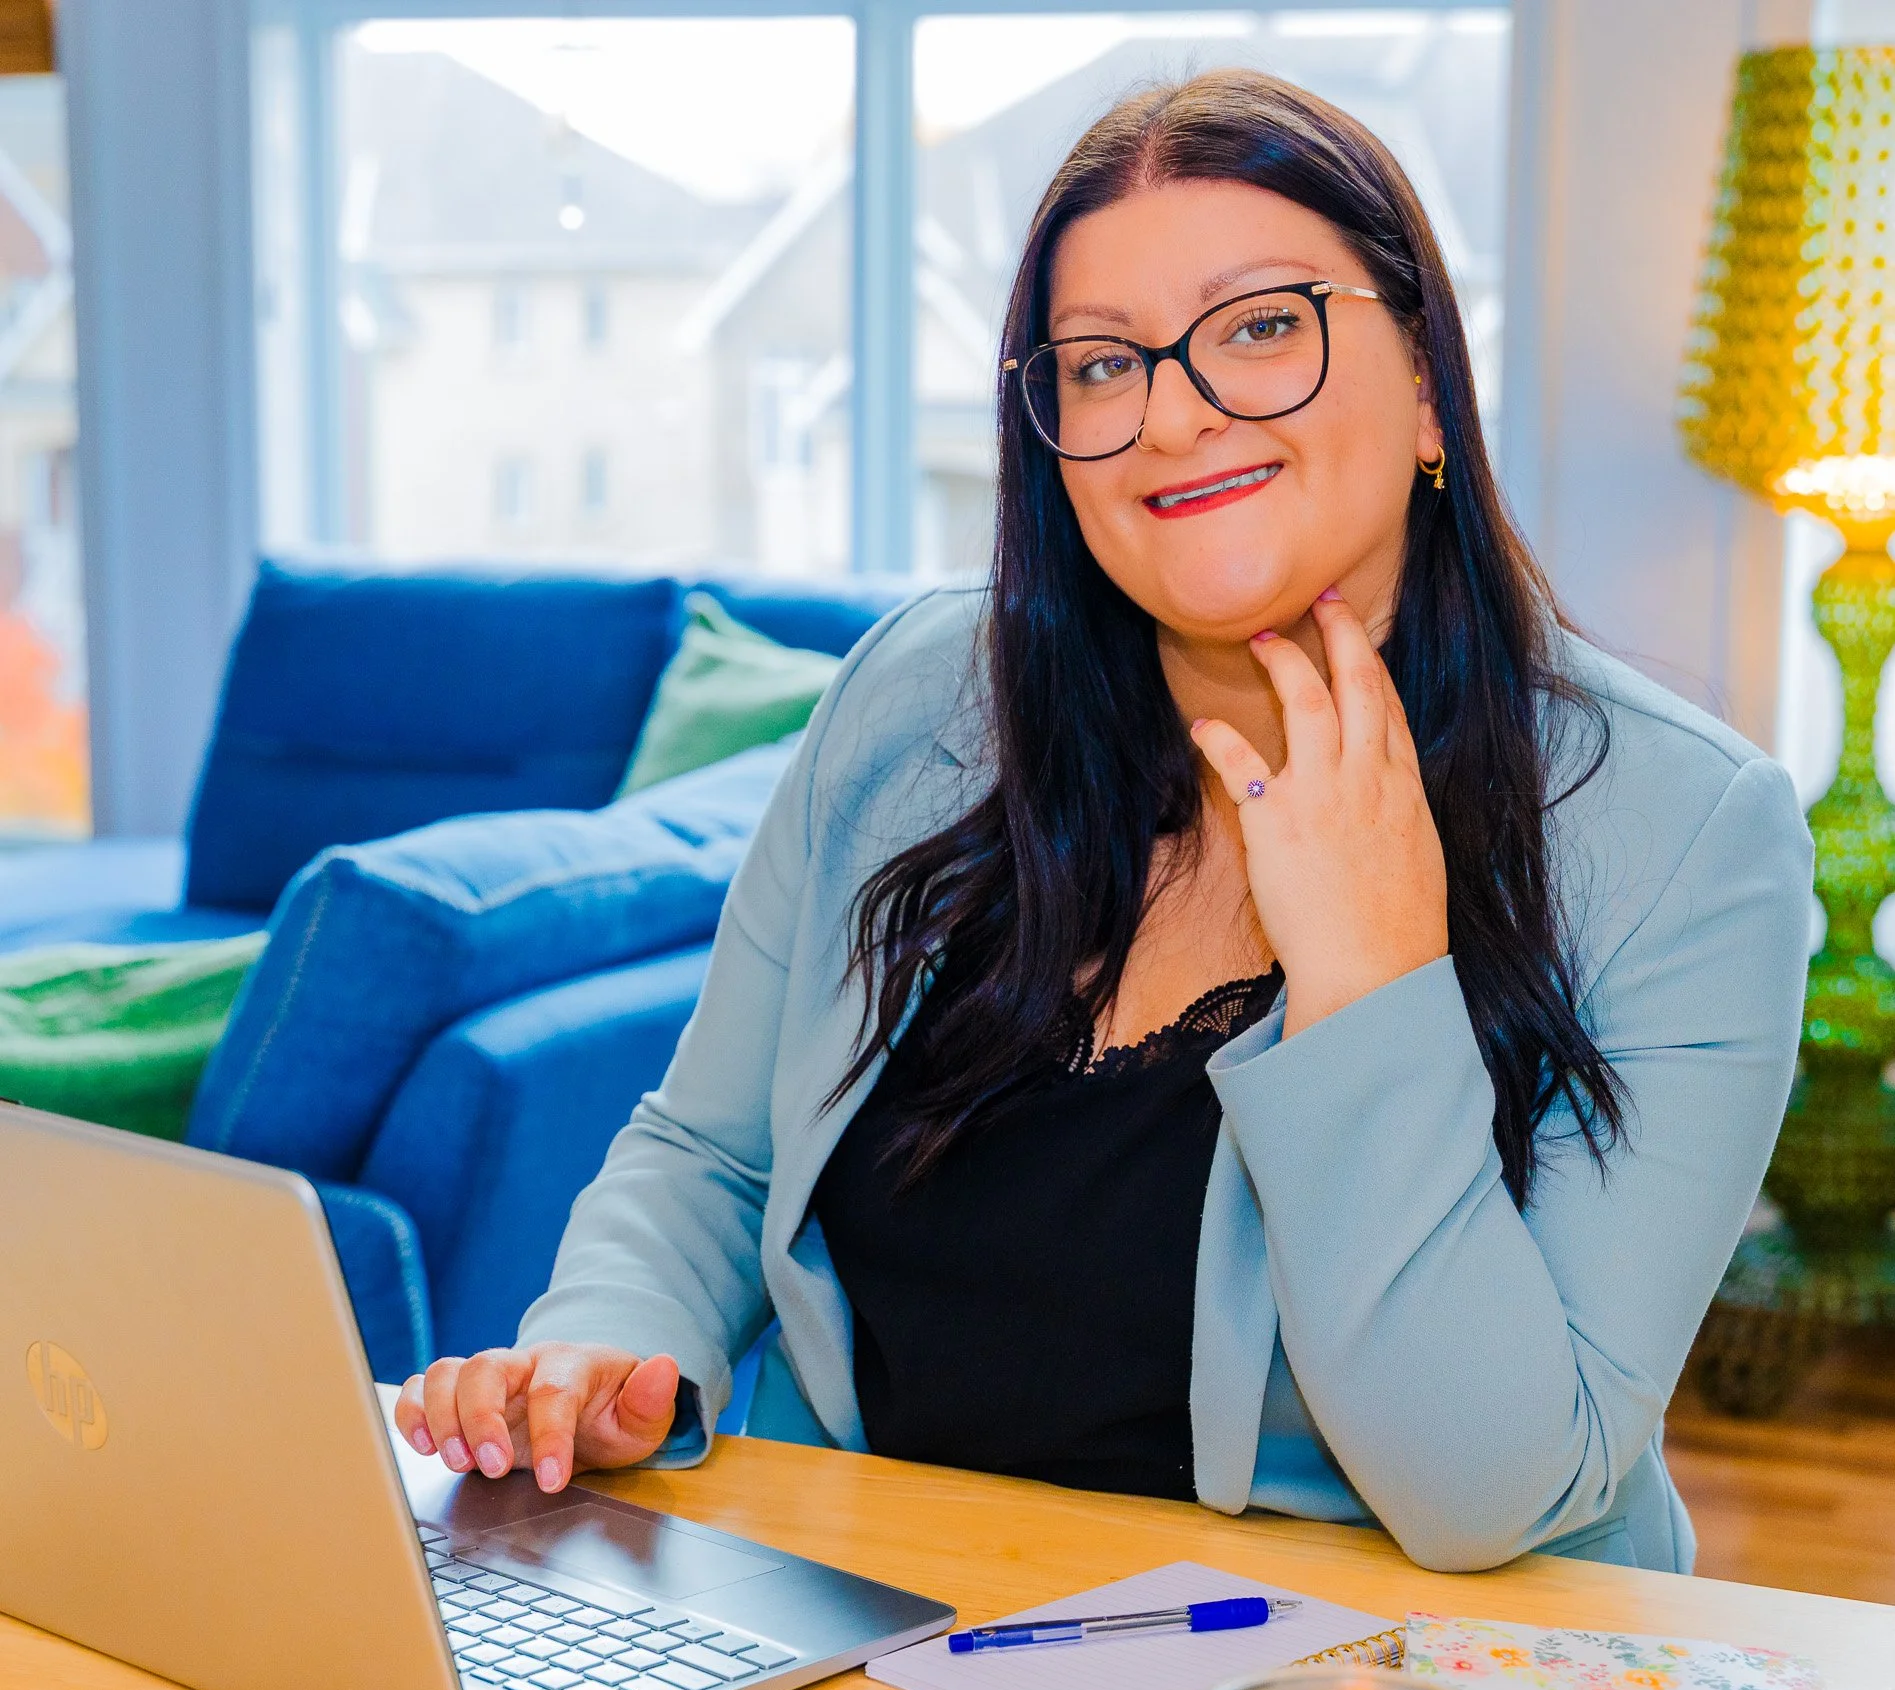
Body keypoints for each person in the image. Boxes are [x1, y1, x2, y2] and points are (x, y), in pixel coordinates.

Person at [395, 72, 1811, 1572]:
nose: (1175, 414)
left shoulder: (1683, 835)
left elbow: (1495, 1492)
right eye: (1098, 364)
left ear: (1424, 391)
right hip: (860, 1645)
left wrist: (1374, 983)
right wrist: (610, 1350)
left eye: (1262, 325)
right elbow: (712, 1152)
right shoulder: (912, 699)